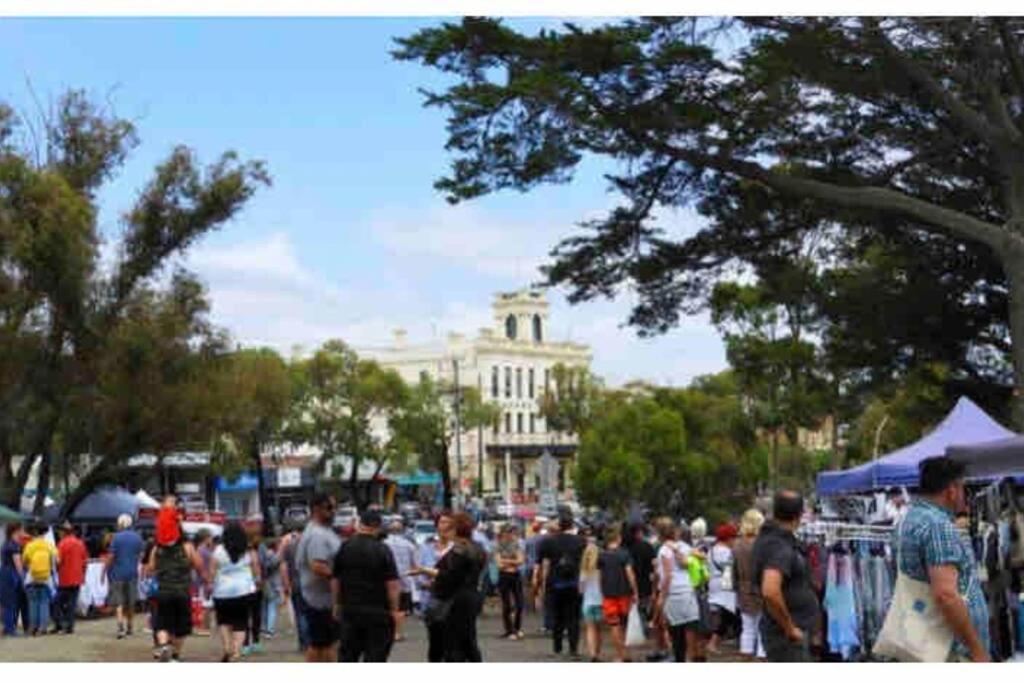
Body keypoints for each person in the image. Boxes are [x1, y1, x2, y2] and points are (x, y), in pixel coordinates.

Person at [897, 457, 989, 662]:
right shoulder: (938, 526)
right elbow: (945, 595)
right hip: (952, 649)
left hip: (925, 638)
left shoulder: (910, 518)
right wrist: (977, 649)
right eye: (963, 489)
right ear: (952, 490)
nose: (965, 496)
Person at [753, 490, 821, 662]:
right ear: (799, 515)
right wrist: (789, 628)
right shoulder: (778, 545)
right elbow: (770, 590)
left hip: (786, 632)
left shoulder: (775, 539)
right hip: (785, 637)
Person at [332, 510, 401, 662]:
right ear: (377, 527)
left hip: (350, 610)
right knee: (375, 657)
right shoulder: (383, 550)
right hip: (378, 612)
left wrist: (337, 604)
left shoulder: (345, 547)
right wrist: (394, 611)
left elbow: (335, 580)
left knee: (348, 656)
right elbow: (392, 584)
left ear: (360, 524)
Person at [147, 506, 205, 662]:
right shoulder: (187, 547)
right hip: (182, 592)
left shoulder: (157, 548)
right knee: (182, 627)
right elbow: (199, 565)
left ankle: (164, 645)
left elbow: (150, 569)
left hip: (164, 591)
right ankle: (175, 655)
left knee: (162, 623)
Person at [430, 512, 486, 662]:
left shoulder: (458, 550)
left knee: (453, 643)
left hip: (455, 600)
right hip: (471, 596)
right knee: (469, 640)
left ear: (456, 530)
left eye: (450, 528)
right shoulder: (478, 548)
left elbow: (448, 576)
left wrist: (427, 572)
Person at [295, 492, 341, 662]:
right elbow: (317, 566)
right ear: (316, 509)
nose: (334, 511)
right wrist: (339, 577)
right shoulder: (317, 535)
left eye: (335, 507)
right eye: (329, 508)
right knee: (323, 644)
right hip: (319, 600)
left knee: (324, 642)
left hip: (322, 598)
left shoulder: (323, 531)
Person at [537, 509, 586, 659]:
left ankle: (557, 648)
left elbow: (544, 564)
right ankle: (573, 649)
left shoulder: (548, 541)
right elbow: (584, 564)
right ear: (572, 525)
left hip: (555, 583)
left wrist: (542, 585)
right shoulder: (580, 541)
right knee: (573, 618)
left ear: (559, 525)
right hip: (574, 583)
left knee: (557, 617)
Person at [652, 516, 702, 662]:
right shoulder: (683, 546)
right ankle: (692, 658)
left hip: (673, 594)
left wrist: (662, 597)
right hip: (688, 591)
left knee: (676, 633)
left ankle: (680, 660)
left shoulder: (664, 550)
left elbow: (667, 576)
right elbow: (700, 557)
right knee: (691, 628)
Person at [410, 510, 456, 662]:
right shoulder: (425, 548)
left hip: (452, 603)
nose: (445, 526)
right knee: (435, 645)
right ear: (436, 526)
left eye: (449, 523)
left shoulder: (457, 549)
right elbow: (417, 573)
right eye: (442, 522)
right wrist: (425, 582)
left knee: (452, 645)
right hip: (431, 602)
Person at [210, 521, 258, 662]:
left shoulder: (218, 550)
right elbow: (256, 570)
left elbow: (212, 572)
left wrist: (211, 584)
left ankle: (227, 648)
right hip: (244, 591)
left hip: (222, 592)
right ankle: (237, 651)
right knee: (241, 622)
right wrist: (252, 580)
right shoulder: (249, 551)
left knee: (224, 621)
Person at [598, 526, 639, 662]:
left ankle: (621, 655)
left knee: (614, 625)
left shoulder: (602, 556)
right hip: (624, 593)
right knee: (624, 624)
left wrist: (601, 591)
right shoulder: (624, 554)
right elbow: (630, 574)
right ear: (618, 539)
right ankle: (626, 653)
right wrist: (635, 591)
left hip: (608, 594)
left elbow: (599, 576)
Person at [105, 513, 145, 639]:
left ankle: (120, 626)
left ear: (121, 524)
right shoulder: (137, 537)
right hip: (132, 573)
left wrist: (104, 570)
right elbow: (141, 555)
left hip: (117, 573)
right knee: (131, 601)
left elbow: (111, 556)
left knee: (119, 602)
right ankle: (130, 626)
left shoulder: (116, 538)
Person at [734, 508, 766, 660]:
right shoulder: (763, 544)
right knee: (762, 630)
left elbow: (733, 571)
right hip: (761, 589)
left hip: (743, 589)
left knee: (747, 629)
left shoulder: (737, 544)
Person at [383, 519, 418, 642]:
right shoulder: (409, 545)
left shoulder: (383, 544)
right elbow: (415, 565)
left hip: (386, 580)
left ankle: (387, 632)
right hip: (404, 580)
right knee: (401, 609)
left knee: (388, 607)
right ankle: (397, 633)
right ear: (402, 530)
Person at [278, 521, 310, 652]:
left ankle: (303, 643)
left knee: (299, 614)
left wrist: (286, 585)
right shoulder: (312, 545)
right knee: (310, 614)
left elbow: (283, 567)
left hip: (295, 584)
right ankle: (311, 642)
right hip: (311, 585)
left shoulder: (289, 546)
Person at [708, 523, 738, 654]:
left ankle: (716, 640)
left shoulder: (712, 549)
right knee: (728, 613)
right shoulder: (727, 552)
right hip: (725, 583)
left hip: (713, 582)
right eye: (734, 537)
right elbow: (730, 570)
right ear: (729, 538)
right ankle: (713, 643)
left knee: (724, 613)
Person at [21, 524, 57, 637]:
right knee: (44, 603)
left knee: (32, 603)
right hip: (46, 579)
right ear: (45, 533)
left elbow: (24, 562)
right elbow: (57, 561)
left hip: (31, 578)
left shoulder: (30, 546)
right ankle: (42, 628)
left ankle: (32, 627)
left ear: (35, 532)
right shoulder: (50, 546)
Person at [53, 522, 87, 634]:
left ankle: (60, 624)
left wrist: (56, 570)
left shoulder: (62, 544)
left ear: (63, 532)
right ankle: (69, 627)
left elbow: (58, 561)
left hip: (65, 578)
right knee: (72, 603)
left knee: (56, 602)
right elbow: (84, 562)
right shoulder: (80, 543)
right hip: (77, 578)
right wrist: (83, 575)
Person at [624, 522, 656, 634]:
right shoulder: (648, 546)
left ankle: (637, 627)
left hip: (630, 580)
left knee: (634, 605)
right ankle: (645, 626)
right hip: (646, 580)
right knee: (645, 604)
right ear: (639, 533)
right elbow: (653, 565)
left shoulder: (626, 548)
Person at [496, 524, 525, 640]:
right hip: (503, 576)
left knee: (520, 604)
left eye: (512, 533)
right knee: (506, 604)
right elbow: (499, 565)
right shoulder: (498, 546)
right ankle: (509, 630)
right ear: (503, 534)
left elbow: (521, 560)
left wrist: (506, 561)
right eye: (508, 532)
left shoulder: (516, 545)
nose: (510, 535)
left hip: (515, 575)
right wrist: (513, 561)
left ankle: (517, 628)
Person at [578, 540, 603, 662]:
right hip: (601, 602)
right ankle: (598, 653)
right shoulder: (601, 571)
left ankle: (592, 653)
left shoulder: (583, 572)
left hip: (587, 603)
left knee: (590, 629)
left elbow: (581, 590)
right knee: (599, 630)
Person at [1, 522, 26, 636]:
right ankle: (10, 629)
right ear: (16, 531)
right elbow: (18, 563)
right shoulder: (14, 545)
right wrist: (23, 577)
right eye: (21, 530)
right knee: (11, 603)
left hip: (4, 573)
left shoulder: (6, 543)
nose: (23, 532)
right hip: (11, 574)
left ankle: (8, 627)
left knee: (7, 603)